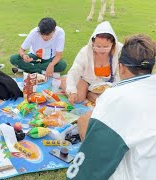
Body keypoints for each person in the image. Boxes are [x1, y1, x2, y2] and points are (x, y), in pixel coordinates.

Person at [67, 34, 156, 180]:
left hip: (137, 173)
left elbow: (101, 146)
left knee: (84, 120)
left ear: (121, 67)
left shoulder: (115, 96)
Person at [62, 21, 123, 104]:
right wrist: (72, 91)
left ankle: (89, 94)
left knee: (110, 100)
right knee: (78, 98)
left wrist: (113, 87)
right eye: (98, 46)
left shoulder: (119, 51)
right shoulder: (85, 52)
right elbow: (75, 71)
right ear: (92, 43)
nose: (101, 50)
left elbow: (121, 74)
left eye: (106, 47)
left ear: (113, 44)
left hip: (108, 84)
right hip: (86, 81)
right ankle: (64, 81)